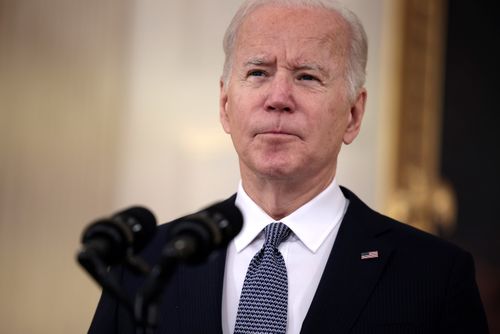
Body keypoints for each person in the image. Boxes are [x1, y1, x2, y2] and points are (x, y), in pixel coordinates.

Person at [88, 0, 489, 333]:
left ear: (353, 114)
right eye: (258, 72)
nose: (278, 97)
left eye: (307, 76)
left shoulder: (434, 278)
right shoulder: (139, 266)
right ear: (225, 105)